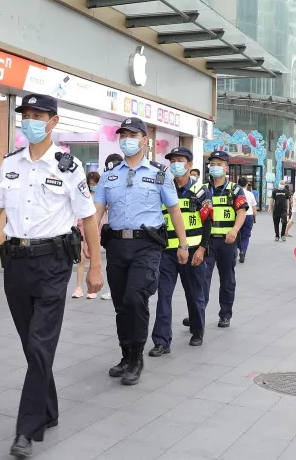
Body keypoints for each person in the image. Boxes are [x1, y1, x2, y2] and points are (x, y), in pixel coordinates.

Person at [0, 93, 102, 459]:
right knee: (31, 344)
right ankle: (49, 409)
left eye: (39, 116)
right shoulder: (11, 163)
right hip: (16, 264)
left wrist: (96, 266)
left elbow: (88, 217)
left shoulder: (69, 167)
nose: (31, 121)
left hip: (53, 263)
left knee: (39, 345)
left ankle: (26, 430)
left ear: (54, 122)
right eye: (27, 115)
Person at [95, 117, 188, 386]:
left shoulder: (160, 174)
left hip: (146, 246)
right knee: (121, 304)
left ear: (144, 140)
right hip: (116, 245)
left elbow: (174, 210)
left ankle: (137, 358)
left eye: (132, 135)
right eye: (123, 135)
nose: (127, 140)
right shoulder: (109, 175)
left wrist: (183, 245)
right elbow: (97, 211)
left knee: (135, 298)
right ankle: (125, 355)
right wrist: (87, 243)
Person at [150, 147, 211, 355]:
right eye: (172, 160)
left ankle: (197, 330)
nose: (175, 164)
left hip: (192, 251)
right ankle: (161, 341)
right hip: (167, 251)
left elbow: (208, 223)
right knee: (164, 295)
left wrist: (202, 249)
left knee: (194, 294)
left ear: (189, 165)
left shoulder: (201, 191)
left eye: (180, 160)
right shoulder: (164, 189)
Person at [203, 151, 248, 328]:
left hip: (227, 242)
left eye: (219, 164)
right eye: (212, 164)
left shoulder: (235, 189)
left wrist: (235, 230)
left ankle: (225, 314)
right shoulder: (203, 189)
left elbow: (241, 212)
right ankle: (198, 313)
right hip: (206, 242)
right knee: (202, 278)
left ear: (226, 168)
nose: (215, 167)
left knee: (227, 279)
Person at [72, 171, 101, 299]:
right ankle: (78, 287)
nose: (93, 186)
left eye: (95, 184)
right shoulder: (83, 194)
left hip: (95, 229)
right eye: (91, 184)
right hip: (81, 229)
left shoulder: (100, 196)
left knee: (94, 258)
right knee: (81, 259)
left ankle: (93, 288)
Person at [98, 154, 124, 300]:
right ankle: (112, 289)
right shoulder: (107, 179)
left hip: (135, 235)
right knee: (113, 266)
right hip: (113, 232)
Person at [238, 179, 256, 263]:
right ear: (246, 184)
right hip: (248, 216)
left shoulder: (235, 193)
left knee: (237, 234)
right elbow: (254, 208)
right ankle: (243, 251)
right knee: (246, 236)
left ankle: (237, 249)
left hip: (238, 216)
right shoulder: (250, 194)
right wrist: (254, 217)